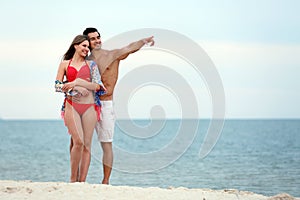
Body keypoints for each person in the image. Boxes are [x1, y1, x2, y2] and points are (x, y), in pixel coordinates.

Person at [82, 27, 154, 184]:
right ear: (86, 42)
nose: (97, 40)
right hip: (88, 104)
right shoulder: (85, 62)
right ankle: (79, 180)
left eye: (98, 37)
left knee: (106, 144)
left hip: (106, 103)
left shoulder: (111, 55)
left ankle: (105, 181)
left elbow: (128, 48)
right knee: (82, 143)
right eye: (92, 39)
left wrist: (143, 41)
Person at [55, 34, 106, 182]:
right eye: (84, 46)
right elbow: (57, 85)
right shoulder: (65, 64)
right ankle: (73, 179)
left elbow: (98, 86)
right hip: (71, 105)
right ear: (75, 46)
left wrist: (78, 82)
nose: (86, 49)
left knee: (87, 145)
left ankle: (82, 181)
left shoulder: (91, 66)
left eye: (88, 47)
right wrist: (73, 88)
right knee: (78, 141)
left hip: (89, 107)